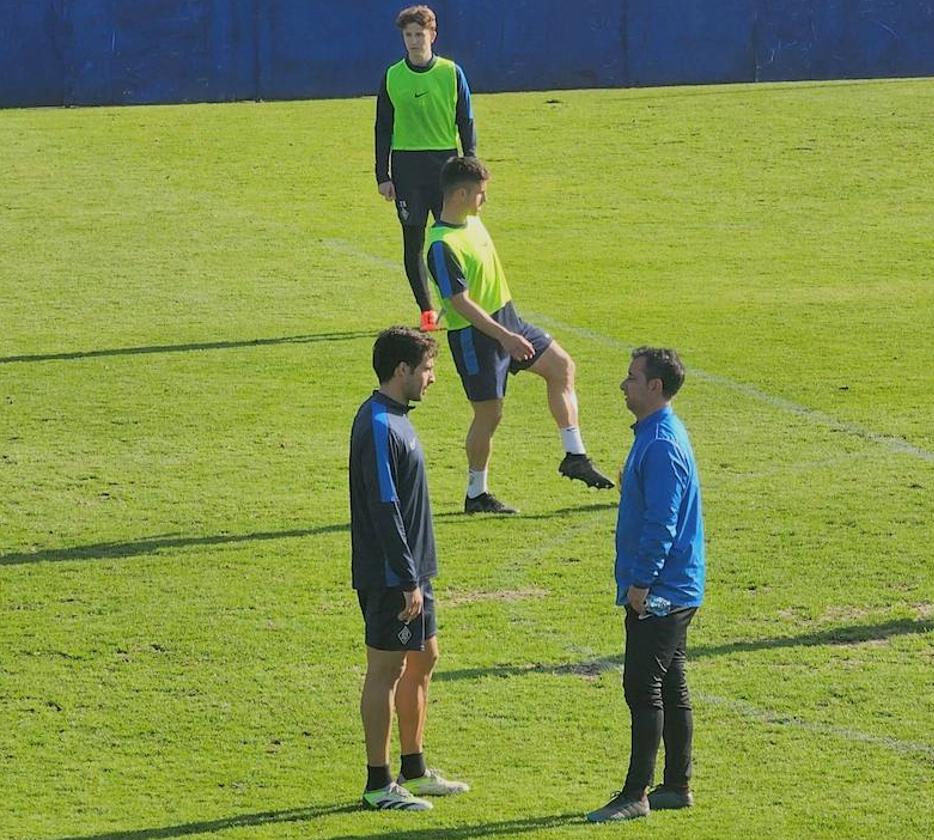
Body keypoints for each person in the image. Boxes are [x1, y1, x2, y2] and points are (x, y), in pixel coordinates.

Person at [425, 155, 614, 514]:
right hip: (476, 338)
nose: (485, 200)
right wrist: (504, 338)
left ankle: (575, 455)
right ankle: (476, 494)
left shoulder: (472, 222)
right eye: (480, 193)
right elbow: (460, 303)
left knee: (562, 367)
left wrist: (510, 332)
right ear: (461, 194)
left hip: (509, 321)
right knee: (489, 415)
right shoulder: (441, 245)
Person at [349, 326, 469, 810]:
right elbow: (384, 504)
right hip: (391, 577)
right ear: (402, 370)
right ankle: (379, 784)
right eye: (427, 369)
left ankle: (414, 770)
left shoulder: (396, 417)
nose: (432, 379)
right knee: (387, 670)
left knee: (425, 658)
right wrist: (404, 579)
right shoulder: (377, 423)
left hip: (415, 573)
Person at [587, 347, 705, 823]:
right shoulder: (655, 435)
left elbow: (662, 523)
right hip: (676, 584)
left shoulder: (660, 443)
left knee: (643, 687)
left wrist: (641, 584)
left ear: (655, 387)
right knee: (671, 683)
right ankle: (675, 785)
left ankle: (636, 794)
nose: (624, 384)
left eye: (632, 378)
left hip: (662, 589)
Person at [374, 5, 476, 332]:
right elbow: (382, 127)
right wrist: (383, 175)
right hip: (407, 168)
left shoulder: (450, 72)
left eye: (420, 34)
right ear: (402, 38)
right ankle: (427, 312)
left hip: (445, 166)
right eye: (409, 35)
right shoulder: (392, 76)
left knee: (452, 241)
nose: (415, 40)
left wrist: (469, 163)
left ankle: (463, 303)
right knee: (413, 242)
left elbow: (466, 120)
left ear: (433, 35)